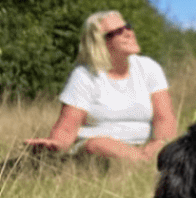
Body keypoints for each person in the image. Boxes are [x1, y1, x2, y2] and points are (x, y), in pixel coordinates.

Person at [25, 11, 177, 163]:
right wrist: (54, 145)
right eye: (117, 32)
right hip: (99, 151)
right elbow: (67, 127)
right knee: (98, 144)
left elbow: (164, 118)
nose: (128, 33)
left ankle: (140, 160)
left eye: (127, 27)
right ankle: (143, 162)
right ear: (100, 42)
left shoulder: (149, 68)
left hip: (145, 146)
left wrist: (159, 143)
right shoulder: (85, 75)